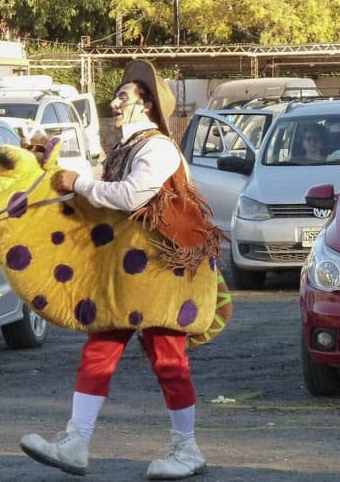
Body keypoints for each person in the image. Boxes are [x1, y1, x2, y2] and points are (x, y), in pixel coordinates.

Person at [19, 60, 222, 480]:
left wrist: (76, 183)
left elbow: (129, 197)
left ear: (145, 104)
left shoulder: (159, 148)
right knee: (100, 351)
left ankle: (187, 449)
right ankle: (77, 440)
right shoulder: (128, 149)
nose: (115, 102)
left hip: (161, 273)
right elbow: (105, 194)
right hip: (127, 275)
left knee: (168, 358)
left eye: (124, 96)